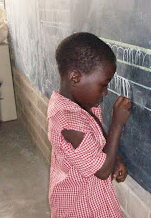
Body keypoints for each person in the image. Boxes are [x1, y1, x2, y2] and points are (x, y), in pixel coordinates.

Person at [48, 32, 131, 218]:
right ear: (75, 77)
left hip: (94, 201)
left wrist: (115, 159)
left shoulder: (84, 105)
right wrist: (117, 124)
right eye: (103, 84)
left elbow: (97, 146)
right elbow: (102, 171)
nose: (106, 92)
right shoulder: (70, 124)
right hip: (79, 209)